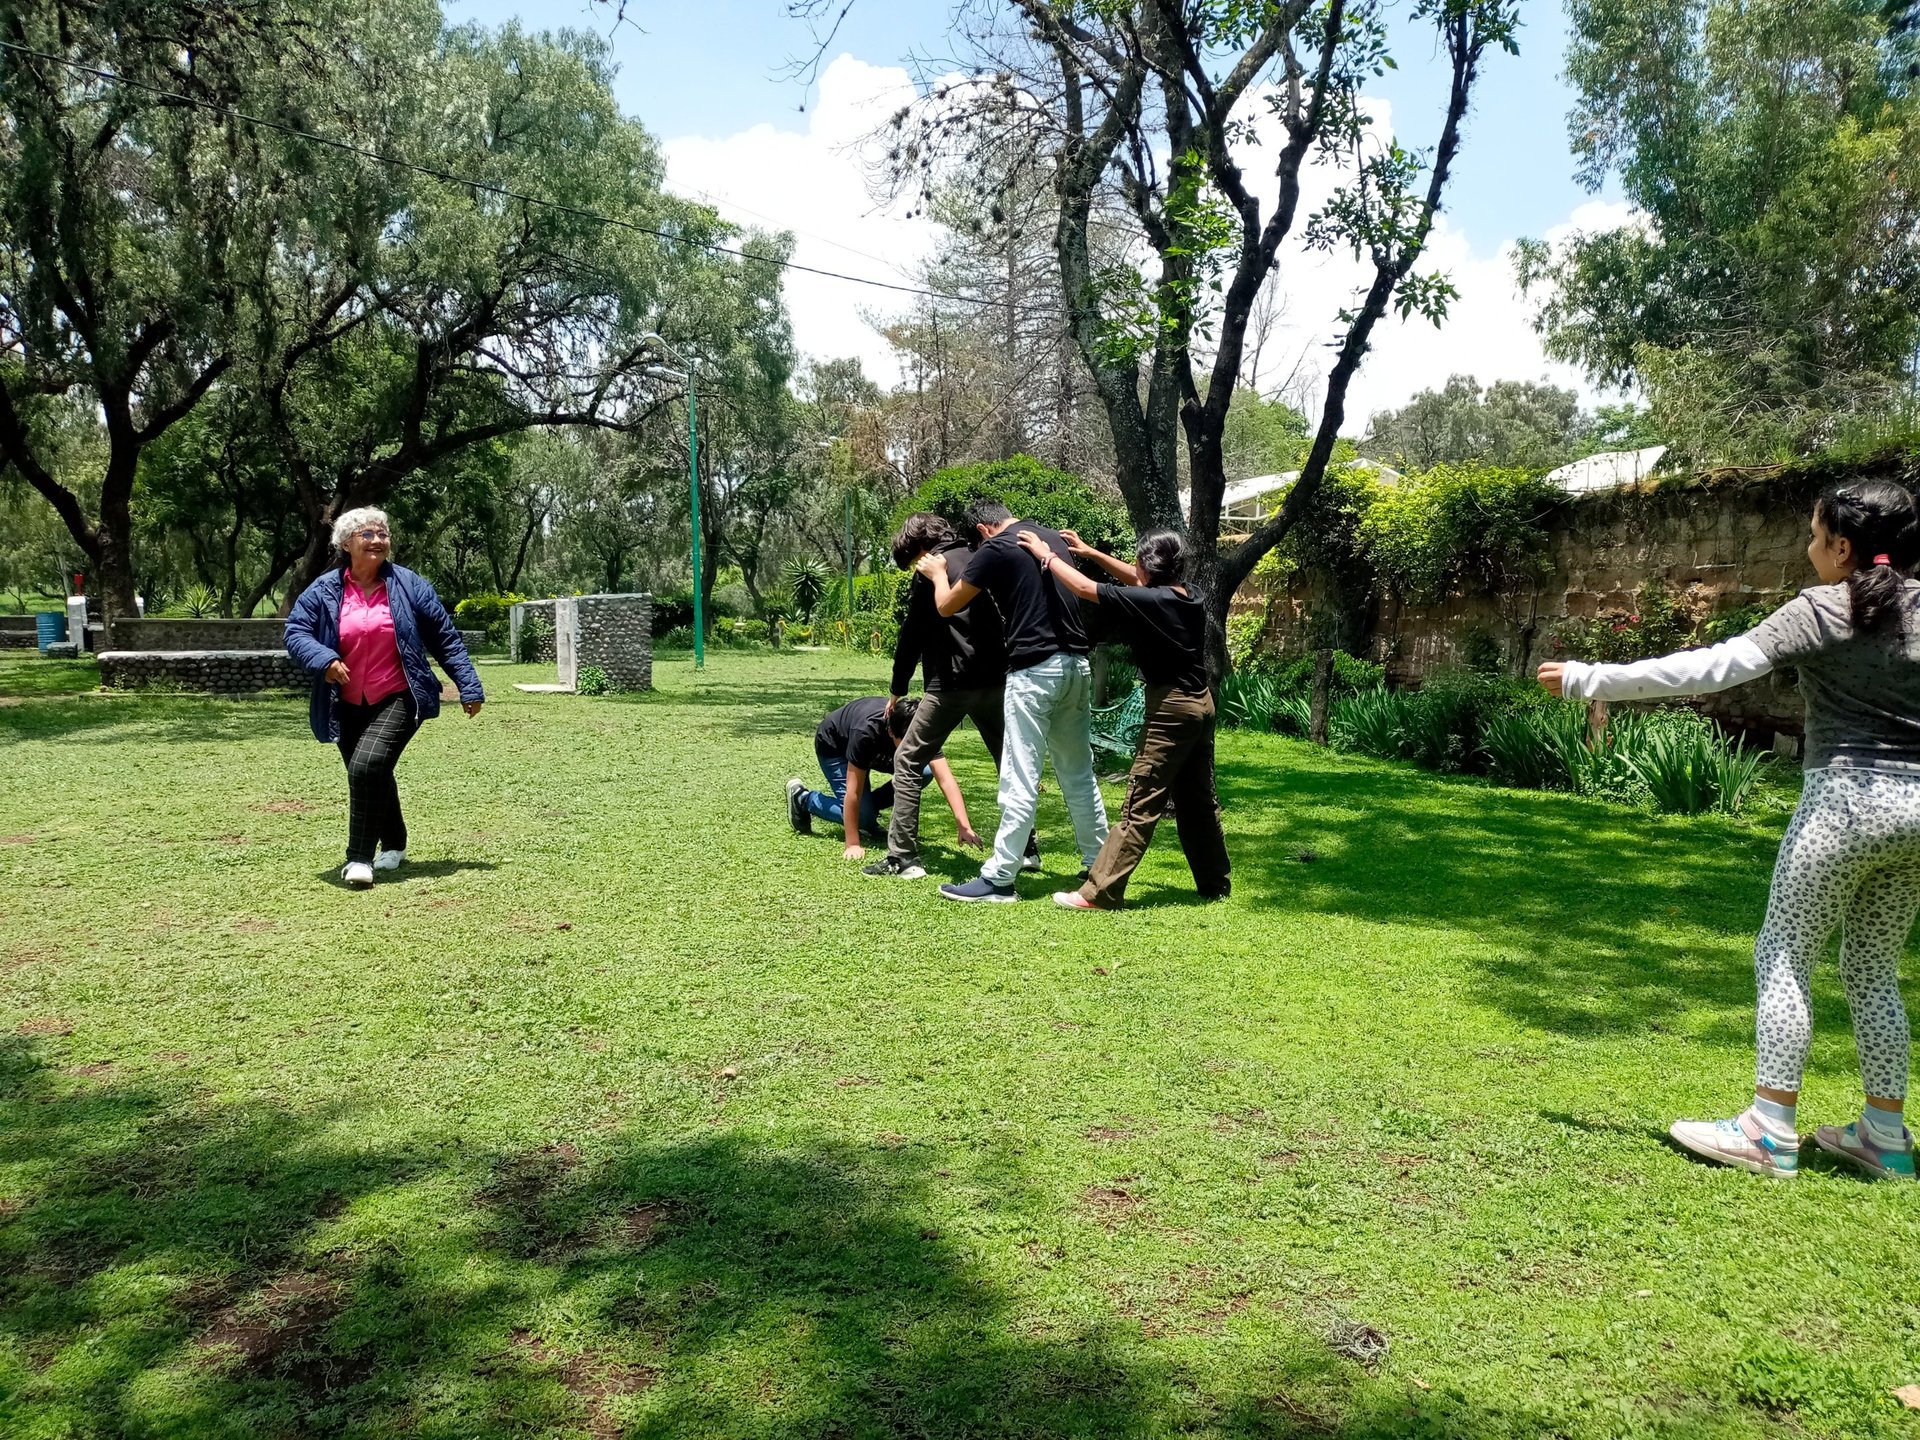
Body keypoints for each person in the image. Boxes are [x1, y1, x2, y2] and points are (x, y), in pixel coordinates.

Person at [1539, 479, 1920, 1182]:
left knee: (1784, 952)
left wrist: (1591, 678)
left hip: (1843, 806)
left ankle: (1769, 1131)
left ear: (1842, 546)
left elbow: (1713, 665)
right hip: (1916, 817)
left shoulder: (1824, 609)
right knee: (1872, 967)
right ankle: (1885, 1136)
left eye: (1813, 537)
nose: (1808, 549)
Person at [1015, 527, 1230, 909]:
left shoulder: (1151, 600)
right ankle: (1215, 883)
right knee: (1198, 801)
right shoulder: (1188, 595)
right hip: (1201, 705)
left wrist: (1045, 555)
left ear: (1147, 567)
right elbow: (1135, 579)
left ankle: (1099, 892)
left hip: (1172, 711)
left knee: (1140, 803)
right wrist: (1093, 552)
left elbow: (1083, 589)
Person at [917, 500, 1109, 903]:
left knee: (1019, 775)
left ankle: (1000, 878)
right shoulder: (1051, 536)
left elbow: (948, 605)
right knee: (1078, 774)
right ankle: (1099, 865)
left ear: (984, 530)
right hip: (1077, 666)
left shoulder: (996, 546)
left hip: (1035, 671)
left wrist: (937, 574)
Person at [285, 507, 484, 889]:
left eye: (382, 534)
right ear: (347, 543)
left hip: (399, 695)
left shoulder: (410, 585)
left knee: (365, 767)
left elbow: (444, 637)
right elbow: (296, 632)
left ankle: (359, 859)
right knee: (372, 771)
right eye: (367, 534)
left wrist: (468, 686)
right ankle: (394, 844)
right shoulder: (324, 589)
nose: (377, 540)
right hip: (345, 701)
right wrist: (323, 658)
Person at [866, 512, 1040, 880]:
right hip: (996, 680)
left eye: (913, 558)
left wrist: (898, 688)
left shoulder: (932, 569)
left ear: (921, 548)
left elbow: (911, 635)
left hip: (952, 683)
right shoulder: (981, 556)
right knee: (1010, 763)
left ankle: (903, 858)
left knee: (909, 760)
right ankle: (1027, 850)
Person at [786, 696, 983, 862]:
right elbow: (853, 791)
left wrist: (964, 826)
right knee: (863, 818)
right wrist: (853, 843)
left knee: (925, 772)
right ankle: (803, 799)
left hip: (877, 749)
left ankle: (869, 809)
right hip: (835, 745)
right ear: (890, 732)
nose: (912, 747)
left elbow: (945, 778)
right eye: (906, 743)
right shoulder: (865, 732)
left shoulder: (921, 730)